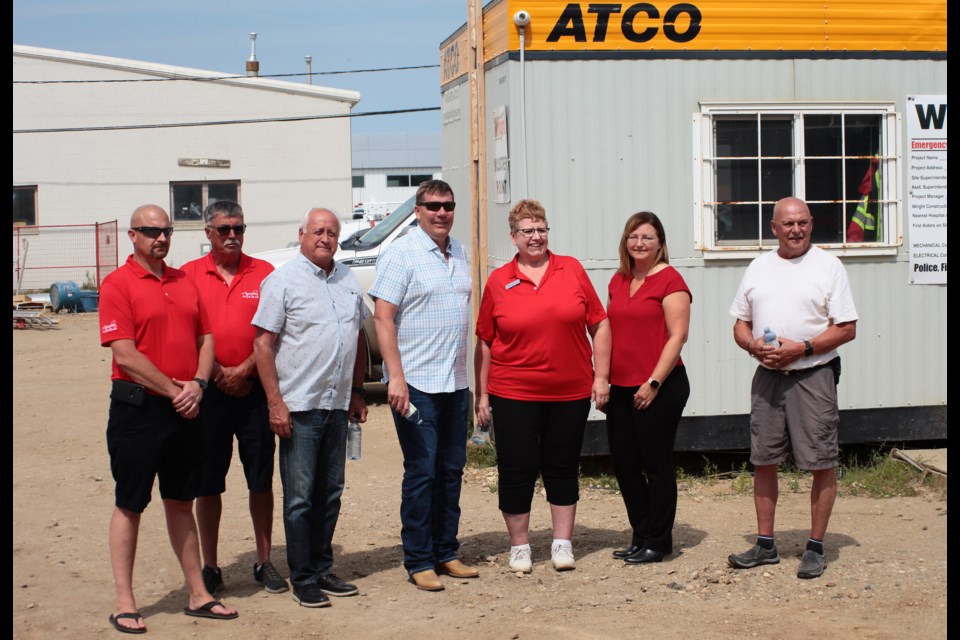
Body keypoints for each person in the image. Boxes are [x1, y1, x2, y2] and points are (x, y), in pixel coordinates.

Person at [99, 204, 238, 634]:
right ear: (133, 235)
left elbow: (206, 337)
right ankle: (125, 600)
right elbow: (125, 354)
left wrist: (197, 383)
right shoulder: (116, 284)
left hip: (188, 406)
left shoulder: (184, 281)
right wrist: (177, 390)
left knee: (181, 502)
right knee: (130, 504)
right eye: (150, 231)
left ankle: (198, 593)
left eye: (166, 232)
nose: (160, 238)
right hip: (139, 410)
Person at [474, 199, 610, 573]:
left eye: (541, 230)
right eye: (527, 231)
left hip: (570, 392)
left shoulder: (572, 269)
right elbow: (484, 340)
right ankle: (520, 546)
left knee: (562, 466)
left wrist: (601, 376)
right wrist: (482, 394)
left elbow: (599, 323)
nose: (536, 237)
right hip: (513, 392)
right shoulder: (499, 280)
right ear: (513, 237)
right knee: (515, 468)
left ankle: (562, 543)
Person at [728, 196, 858, 579]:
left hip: (813, 375)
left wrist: (800, 348)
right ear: (774, 228)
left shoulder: (828, 266)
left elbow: (847, 327)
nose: (796, 230)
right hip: (768, 376)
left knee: (821, 460)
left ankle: (815, 547)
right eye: (788, 224)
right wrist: (753, 345)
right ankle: (765, 544)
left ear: (811, 223)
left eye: (802, 222)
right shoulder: (758, 267)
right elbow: (740, 323)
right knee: (763, 459)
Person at [252, 208, 369, 608]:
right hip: (299, 407)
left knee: (331, 492)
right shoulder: (282, 281)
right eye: (318, 231)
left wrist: (357, 391)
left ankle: (322, 567)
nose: (325, 238)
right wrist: (275, 402)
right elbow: (263, 344)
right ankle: (302, 577)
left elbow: (358, 337)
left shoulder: (347, 278)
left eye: (332, 233)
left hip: (336, 405)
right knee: (300, 497)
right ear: (301, 234)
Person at [369, 179, 477, 591]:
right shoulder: (401, 253)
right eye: (433, 206)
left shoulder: (459, 251)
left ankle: (445, 551)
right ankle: (418, 559)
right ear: (418, 211)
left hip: (454, 382)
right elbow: (383, 318)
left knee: (451, 470)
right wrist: (394, 377)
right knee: (422, 472)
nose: (441, 212)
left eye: (448, 205)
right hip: (416, 384)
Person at [180, 200, 288, 596]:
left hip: (256, 392)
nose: (232, 236)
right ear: (207, 232)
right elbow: (185, 334)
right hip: (208, 394)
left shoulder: (265, 274)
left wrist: (245, 370)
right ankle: (210, 566)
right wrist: (217, 374)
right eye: (224, 229)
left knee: (260, 480)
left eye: (238, 229)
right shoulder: (188, 276)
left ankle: (263, 560)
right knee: (208, 484)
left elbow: (277, 331)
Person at [604, 212, 691, 565]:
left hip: (660, 385)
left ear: (660, 243)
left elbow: (677, 336)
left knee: (656, 465)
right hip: (621, 387)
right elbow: (608, 331)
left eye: (647, 238)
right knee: (625, 466)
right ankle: (640, 534)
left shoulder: (671, 280)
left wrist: (654, 382)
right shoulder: (618, 280)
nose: (639, 243)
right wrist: (602, 378)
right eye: (633, 237)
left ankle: (660, 540)